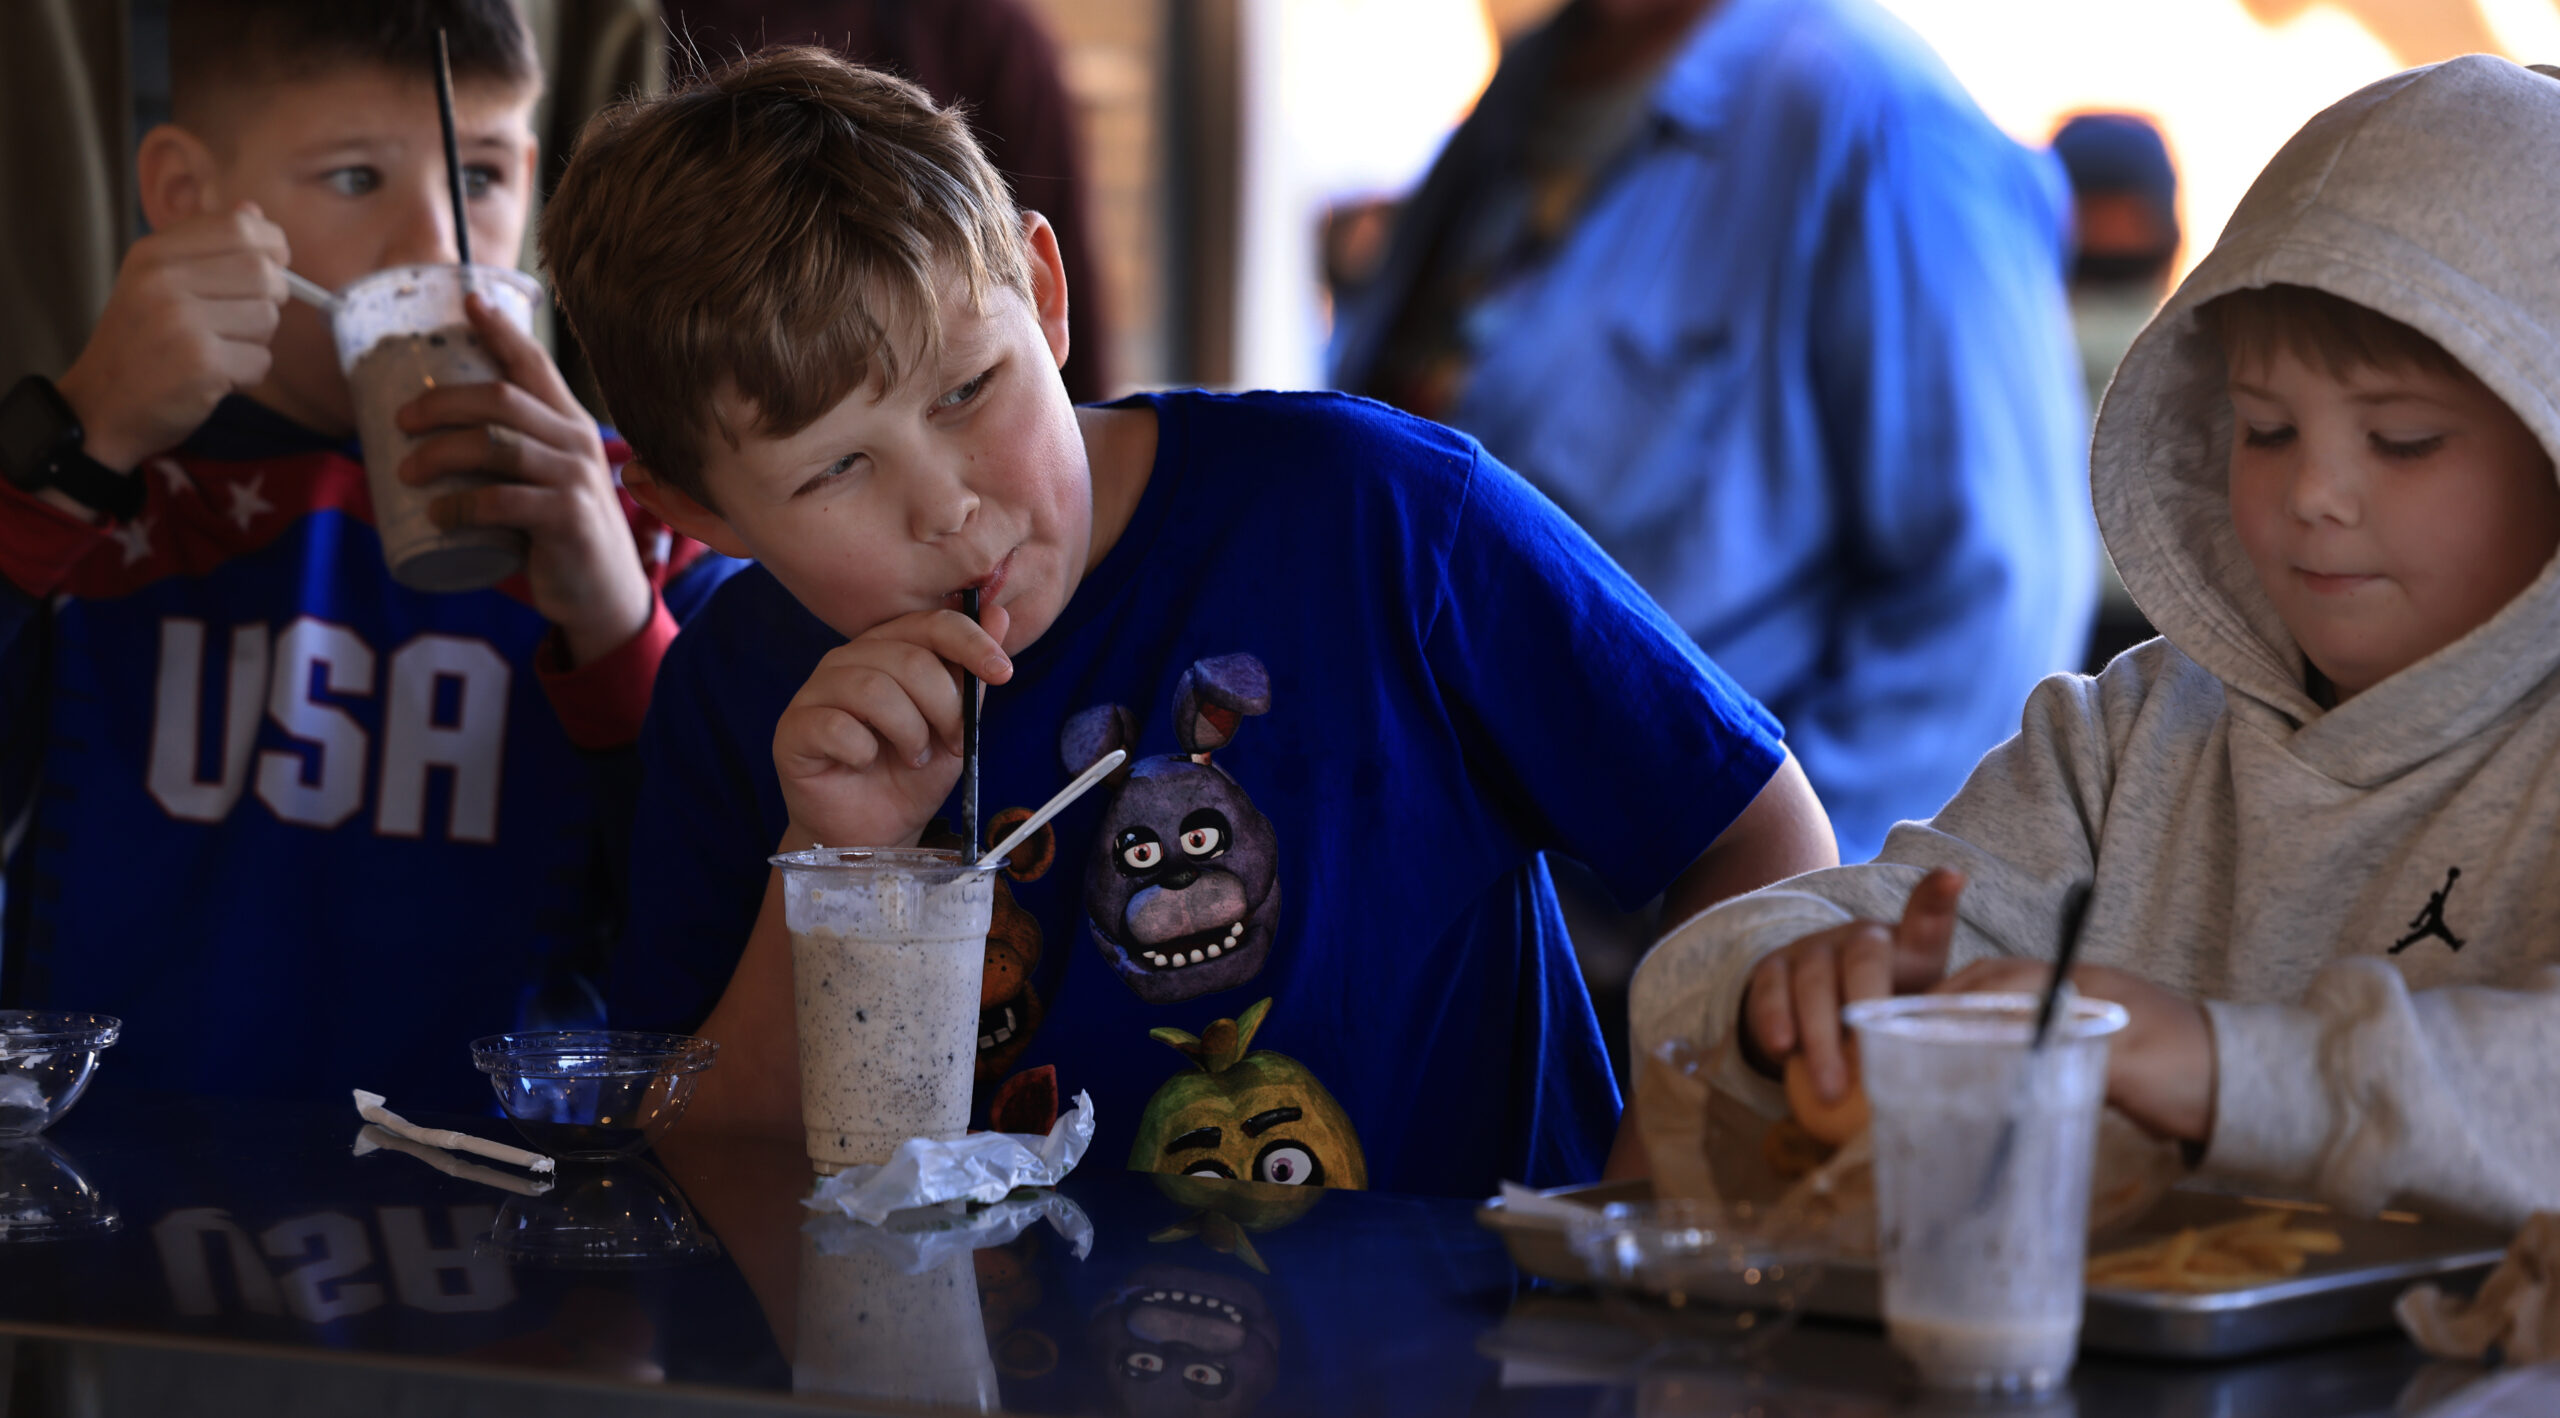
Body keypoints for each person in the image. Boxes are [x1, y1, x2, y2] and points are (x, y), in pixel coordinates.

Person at [541, 48, 1838, 1196]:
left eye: (967, 388)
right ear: (691, 508)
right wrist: (839, 857)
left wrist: (1650, 1200)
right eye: (834, 469)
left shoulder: (1377, 514)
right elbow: (718, 1155)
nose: (948, 505)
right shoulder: (743, 685)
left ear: (1045, 293)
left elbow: (1759, 829)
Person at [1632, 56, 2560, 1228]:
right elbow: (1844, 923)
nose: (2315, 491)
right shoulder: (2125, 740)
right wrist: (1797, 984)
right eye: (2266, 428)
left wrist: (2219, 1065)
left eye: (2406, 439)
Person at [0, 0, 740, 1111]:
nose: (436, 248)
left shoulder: (649, 522)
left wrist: (613, 616)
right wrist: (74, 442)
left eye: (482, 178)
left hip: (503, 1229)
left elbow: (725, 932)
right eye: (354, 179)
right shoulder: (86, 499)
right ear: (187, 198)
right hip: (105, 1220)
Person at [1332, 0, 2097, 864]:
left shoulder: (1866, 109)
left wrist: (1771, 930)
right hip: (1445, 926)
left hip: (1662, 958)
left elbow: (1992, 604)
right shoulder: (1525, 96)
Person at [663, 0, 1113, 404]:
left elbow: (1073, 333)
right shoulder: (638, 33)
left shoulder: (982, 35)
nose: (941, 501)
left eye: (966, 391)